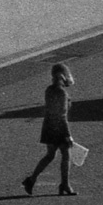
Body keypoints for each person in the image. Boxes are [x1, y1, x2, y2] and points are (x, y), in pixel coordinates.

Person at [23, 62, 77, 196]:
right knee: (66, 155)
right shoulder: (62, 93)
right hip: (59, 127)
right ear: (64, 76)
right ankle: (65, 184)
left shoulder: (49, 90)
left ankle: (32, 179)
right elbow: (62, 115)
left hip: (48, 126)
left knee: (50, 155)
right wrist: (68, 135)